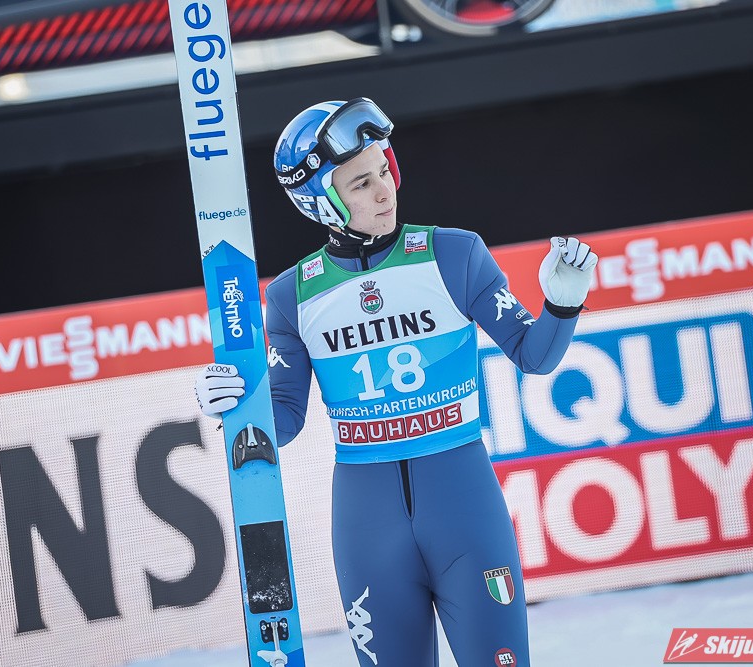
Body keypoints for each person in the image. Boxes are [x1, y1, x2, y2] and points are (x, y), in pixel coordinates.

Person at [195, 98, 597, 667]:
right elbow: (281, 421)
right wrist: (235, 403)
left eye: (384, 170)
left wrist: (563, 303)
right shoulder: (291, 296)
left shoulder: (454, 254)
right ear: (321, 202)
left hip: (465, 511)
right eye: (361, 183)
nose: (384, 191)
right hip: (367, 526)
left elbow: (533, 356)